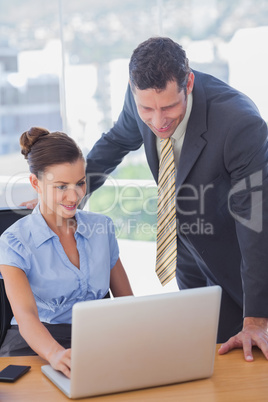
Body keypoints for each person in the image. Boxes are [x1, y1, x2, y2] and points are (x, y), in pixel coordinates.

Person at [21, 37, 268, 362]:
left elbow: (255, 224)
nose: (157, 120)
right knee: (208, 358)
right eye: (146, 109)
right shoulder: (141, 97)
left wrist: (257, 318)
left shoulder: (239, 124)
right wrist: (68, 197)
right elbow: (116, 142)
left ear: (188, 83)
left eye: (168, 107)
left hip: (244, 264)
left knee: (250, 361)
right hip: (191, 256)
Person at [0, 127, 133, 378]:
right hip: (35, 344)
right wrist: (55, 354)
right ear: (35, 184)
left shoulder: (101, 228)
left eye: (80, 183)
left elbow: (127, 302)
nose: (74, 196)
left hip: (96, 340)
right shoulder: (14, 241)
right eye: (61, 186)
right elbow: (26, 316)